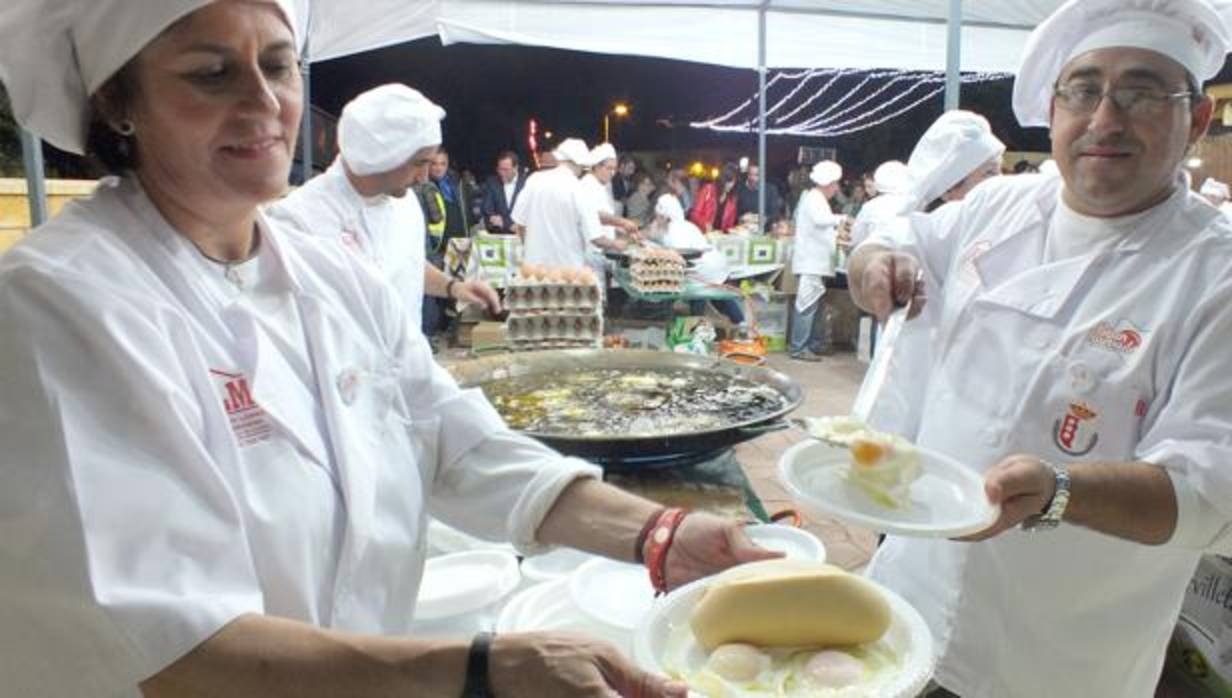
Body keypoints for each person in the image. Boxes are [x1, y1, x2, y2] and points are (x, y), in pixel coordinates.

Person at [0, 3, 781, 696]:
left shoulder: (325, 270)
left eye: (276, 64)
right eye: (211, 73)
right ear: (117, 101)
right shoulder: (58, 306)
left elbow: (447, 439)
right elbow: (169, 648)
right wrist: (480, 669)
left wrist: (657, 534)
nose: (264, 103)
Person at [848, 1, 1232, 695]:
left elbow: (1213, 488)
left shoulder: (1216, 274)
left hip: (1057, 655)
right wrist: (874, 261)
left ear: (1197, 120)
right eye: (1083, 90)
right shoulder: (1001, 205)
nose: (1105, 120)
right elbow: (898, 241)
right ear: (1055, 109)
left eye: (1141, 93)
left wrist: (1057, 493)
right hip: (910, 602)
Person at [268, 84, 500, 340]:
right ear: (382, 155)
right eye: (420, 163)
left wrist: (454, 287)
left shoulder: (405, 202)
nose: (424, 177)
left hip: (404, 367)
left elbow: (407, 264)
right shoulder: (298, 222)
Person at [855, 109, 1005, 439]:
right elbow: (870, 255)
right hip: (916, 383)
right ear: (951, 189)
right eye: (990, 173)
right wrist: (874, 268)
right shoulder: (933, 228)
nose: (1002, 183)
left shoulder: (1004, 228)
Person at [512, 137, 622, 268]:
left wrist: (529, 249)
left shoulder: (534, 180)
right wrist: (618, 244)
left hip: (534, 268)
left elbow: (519, 223)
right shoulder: (578, 189)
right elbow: (596, 238)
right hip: (569, 270)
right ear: (580, 164)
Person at [649, 194, 745, 326]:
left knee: (706, 296)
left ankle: (696, 328)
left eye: (658, 216)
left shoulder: (673, 233)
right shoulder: (685, 225)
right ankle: (740, 324)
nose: (656, 219)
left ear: (666, 217)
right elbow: (653, 234)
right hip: (714, 264)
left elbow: (679, 257)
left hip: (703, 268)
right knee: (719, 295)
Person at [788, 160, 845, 362]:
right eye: (836, 184)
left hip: (815, 261)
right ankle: (798, 348)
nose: (837, 188)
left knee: (814, 305)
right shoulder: (814, 198)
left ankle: (812, 344)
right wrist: (842, 219)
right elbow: (822, 220)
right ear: (828, 183)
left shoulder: (816, 198)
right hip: (811, 261)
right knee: (806, 305)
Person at [579, 142, 641, 275]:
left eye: (614, 169)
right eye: (609, 168)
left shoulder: (602, 185)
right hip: (591, 252)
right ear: (596, 166)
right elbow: (596, 216)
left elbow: (606, 219)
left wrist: (621, 230)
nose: (612, 173)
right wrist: (623, 223)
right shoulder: (587, 185)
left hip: (602, 251)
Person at [849, 160, 912, 249]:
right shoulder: (915, 203)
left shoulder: (870, 207)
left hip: (877, 255)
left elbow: (856, 238)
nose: (867, 190)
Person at [479, 150, 526, 234]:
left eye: (506, 170)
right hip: (499, 235)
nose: (502, 173)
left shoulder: (526, 184)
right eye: (500, 169)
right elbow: (487, 210)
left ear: (515, 168)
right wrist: (510, 225)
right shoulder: (492, 183)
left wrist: (504, 222)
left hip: (522, 235)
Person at [688, 162, 740, 233]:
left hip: (719, 237)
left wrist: (729, 231)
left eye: (733, 182)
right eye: (728, 181)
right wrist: (705, 224)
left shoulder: (732, 199)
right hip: (704, 234)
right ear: (722, 179)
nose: (730, 185)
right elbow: (694, 214)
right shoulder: (708, 189)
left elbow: (730, 225)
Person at [735, 161, 784, 227]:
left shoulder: (771, 190)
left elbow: (775, 214)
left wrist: (765, 219)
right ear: (747, 174)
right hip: (744, 231)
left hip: (764, 231)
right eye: (750, 174)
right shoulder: (740, 189)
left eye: (756, 175)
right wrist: (741, 218)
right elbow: (734, 211)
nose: (752, 178)